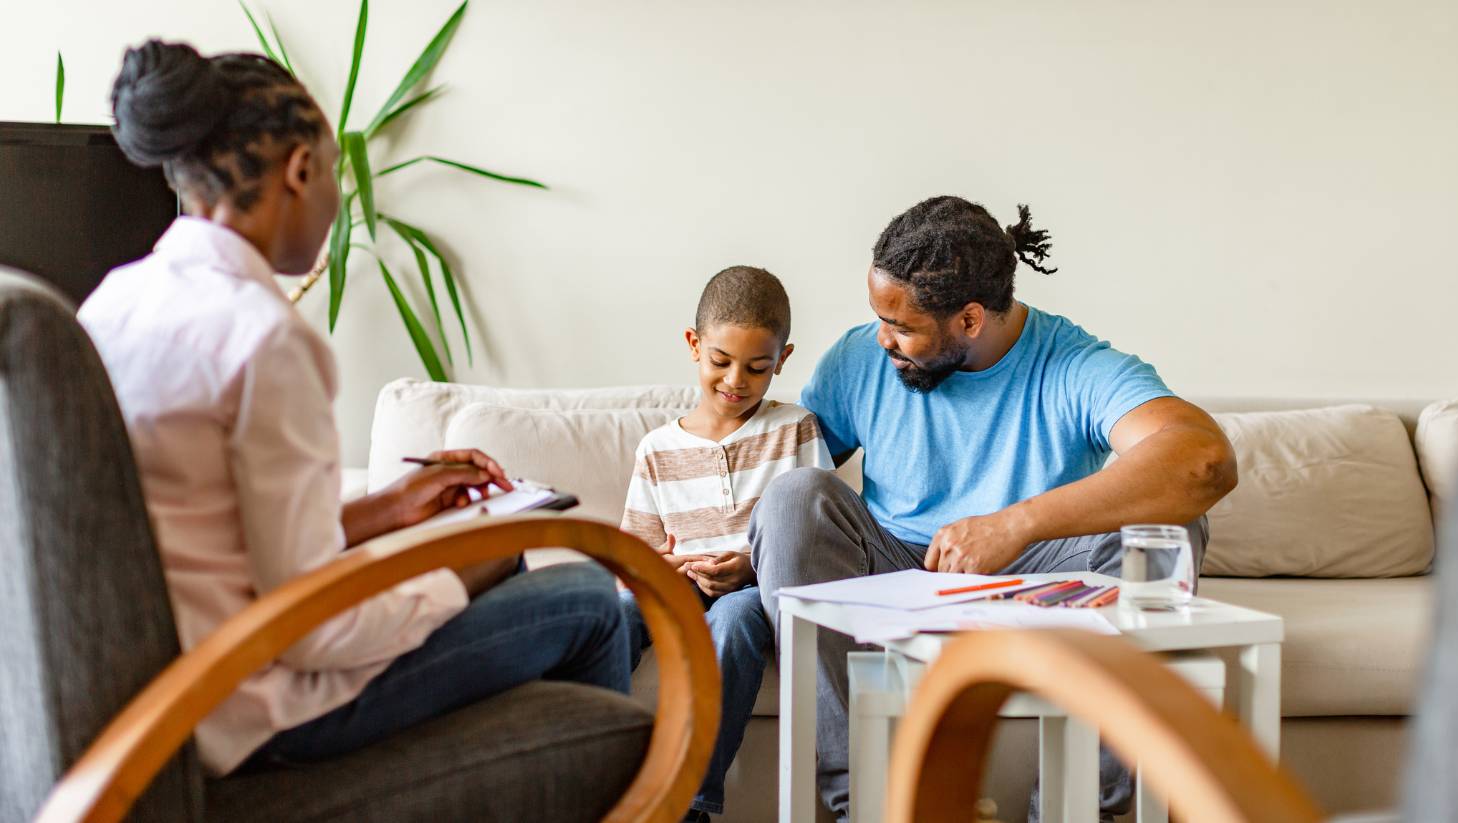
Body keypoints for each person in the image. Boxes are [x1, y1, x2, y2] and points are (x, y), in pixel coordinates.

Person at [78, 40, 630, 777]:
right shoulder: (262, 337)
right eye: (335, 169)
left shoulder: (114, 300)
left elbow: (221, 540)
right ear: (300, 171)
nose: (338, 195)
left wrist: (389, 509)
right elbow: (313, 632)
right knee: (590, 598)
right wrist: (465, 571)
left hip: (161, 698)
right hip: (252, 710)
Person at [749, 196, 1239, 821]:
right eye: (878, 315)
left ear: (971, 319)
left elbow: (1203, 461)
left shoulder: (1074, 364)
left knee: (1165, 523)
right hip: (896, 567)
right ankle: (871, 808)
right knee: (792, 497)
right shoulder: (859, 359)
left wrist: (1016, 522)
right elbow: (781, 471)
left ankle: (1078, 812)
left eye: (902, 326)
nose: (882, 337)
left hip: (1040, 583)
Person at [618, 266, 832, 822]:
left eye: (758, 368)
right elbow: (632, 559)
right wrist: (661, 568)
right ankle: (599, 774)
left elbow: (817, 536)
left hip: (753, 590)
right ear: (694, 346)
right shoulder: (656, 449)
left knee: (733, 621)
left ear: (782, 360)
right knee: (614, 613)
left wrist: (750, 568)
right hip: (680, 587)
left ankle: (688, 803)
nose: (736, 380)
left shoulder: (796, 430)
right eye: (721, 362)